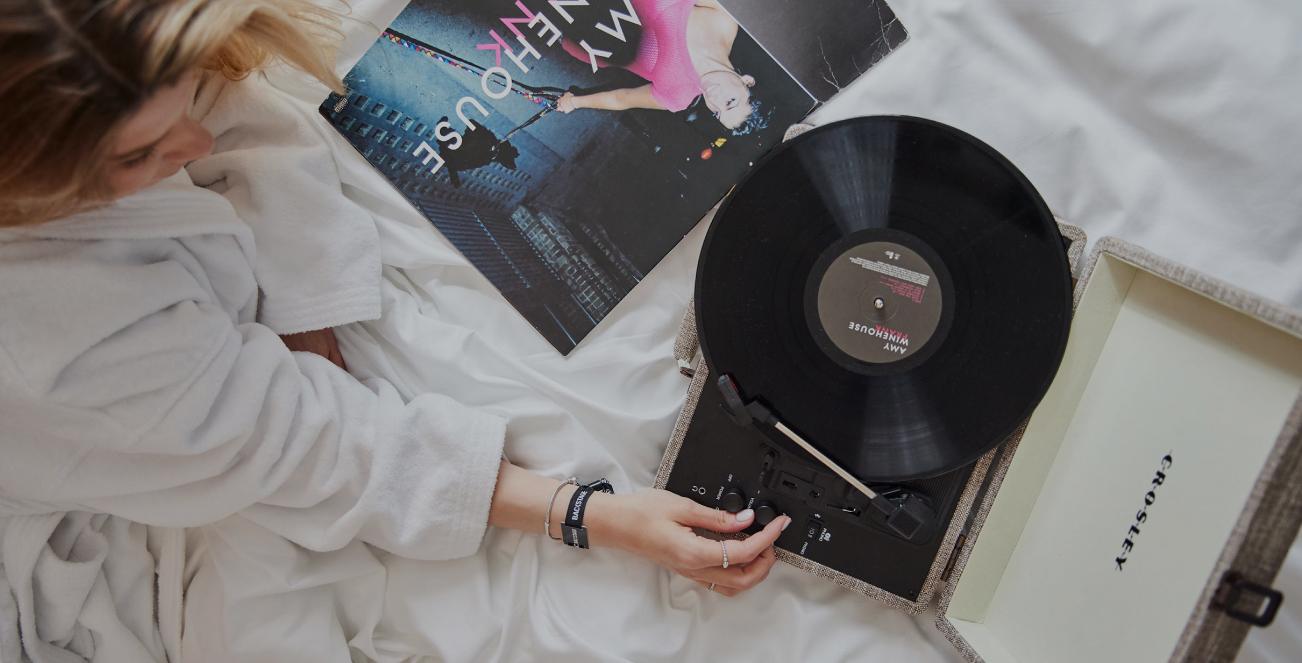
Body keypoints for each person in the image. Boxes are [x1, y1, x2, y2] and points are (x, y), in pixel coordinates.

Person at [0, 1, 790, 659]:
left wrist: (311, 322)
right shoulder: (59, 347)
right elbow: (313, 448)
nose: (194, 150)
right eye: (140, 156)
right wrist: (594, 514)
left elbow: (231, 108)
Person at [553, 0, 767, 134]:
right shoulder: (724, 22)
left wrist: (575, 102)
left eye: (717, 113)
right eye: (730, 102)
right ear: (746, 81)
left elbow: (623, 99)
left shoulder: (679, 95)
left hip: (582, 28)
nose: (714, 101)